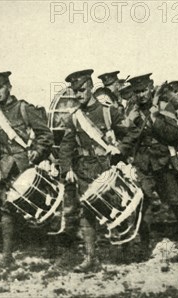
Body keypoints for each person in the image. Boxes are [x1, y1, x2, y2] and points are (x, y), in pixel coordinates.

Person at [59, 69, 129, 272]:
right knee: (86, 213)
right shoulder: (74, 117)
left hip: (106, 167)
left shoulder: (108, 111)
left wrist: (120, 150)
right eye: (76, 92)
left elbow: (131, 132)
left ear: (91, 87)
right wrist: (67, 168)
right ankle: (91, 257)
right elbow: (65, 146)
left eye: (82, 89)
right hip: (83, 170)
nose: (79, 94)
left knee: (116, 207)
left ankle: (125, 248)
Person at [0, 71, 54, 266]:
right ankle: (7, 255)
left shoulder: (24, 108)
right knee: (6, 207)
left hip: (27, 167)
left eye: (0, 88)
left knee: (37, 205)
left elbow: (45, 135)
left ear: (9, 87)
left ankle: (47, 245)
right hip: (6, 168)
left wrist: (38, 152)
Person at [124, 74, 178, 248]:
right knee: (142, 201)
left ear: (151, 87)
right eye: (137, 91)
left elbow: (174, 134)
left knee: (174, 199)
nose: (140, 95)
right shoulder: (132, 111)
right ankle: (144, 240)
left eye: (144, 90)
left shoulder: (163, 106)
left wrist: (155, 120)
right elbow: (128, 135)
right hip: (142, 162)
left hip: (162, 160)